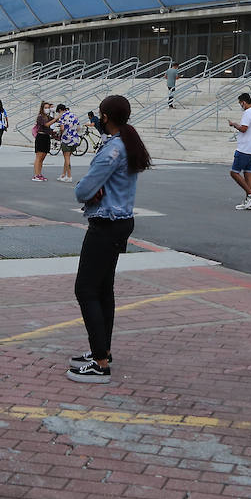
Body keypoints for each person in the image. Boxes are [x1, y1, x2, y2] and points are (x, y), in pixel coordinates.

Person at [68, 95, 152, 383]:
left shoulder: (112, 149)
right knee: (104, 289)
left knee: (86, 289)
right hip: (120, 221)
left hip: (106, 224)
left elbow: (82, 190)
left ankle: (100, 363)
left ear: (105, 117)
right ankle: (101, 349)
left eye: (100, 116)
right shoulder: (127, 144)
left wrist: (86, 187)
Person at [229, 93, 251, 210]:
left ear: (244, 102)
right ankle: (249, 202)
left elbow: (244, 128)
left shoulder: (248, 113)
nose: (240, 106)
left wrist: (234, 124)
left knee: (234, 172)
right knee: (248, 173)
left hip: (245, 148)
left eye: (240, 103)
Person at [56, 103, 81, 182]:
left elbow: (62, 128)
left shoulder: (62, 116)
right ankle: (63, 174)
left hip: (66, 139)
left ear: (60, 110)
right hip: (74, 139)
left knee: (66, 158)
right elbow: (78, 128)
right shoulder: (74, 115)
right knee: (67, 158)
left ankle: (69, 176)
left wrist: (60, 132)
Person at [33, 100, 54, 182]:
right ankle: (36, 175)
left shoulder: (48, 117)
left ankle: (39, 174)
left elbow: (55, 121)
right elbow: (46, 124)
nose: (47, 109)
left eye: (48, 108)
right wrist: (56, 118)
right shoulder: (40, 117)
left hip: (46, 137)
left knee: (43, 157)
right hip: (41, 137)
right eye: (46, 108)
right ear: (42, 108)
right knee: (39, 156)